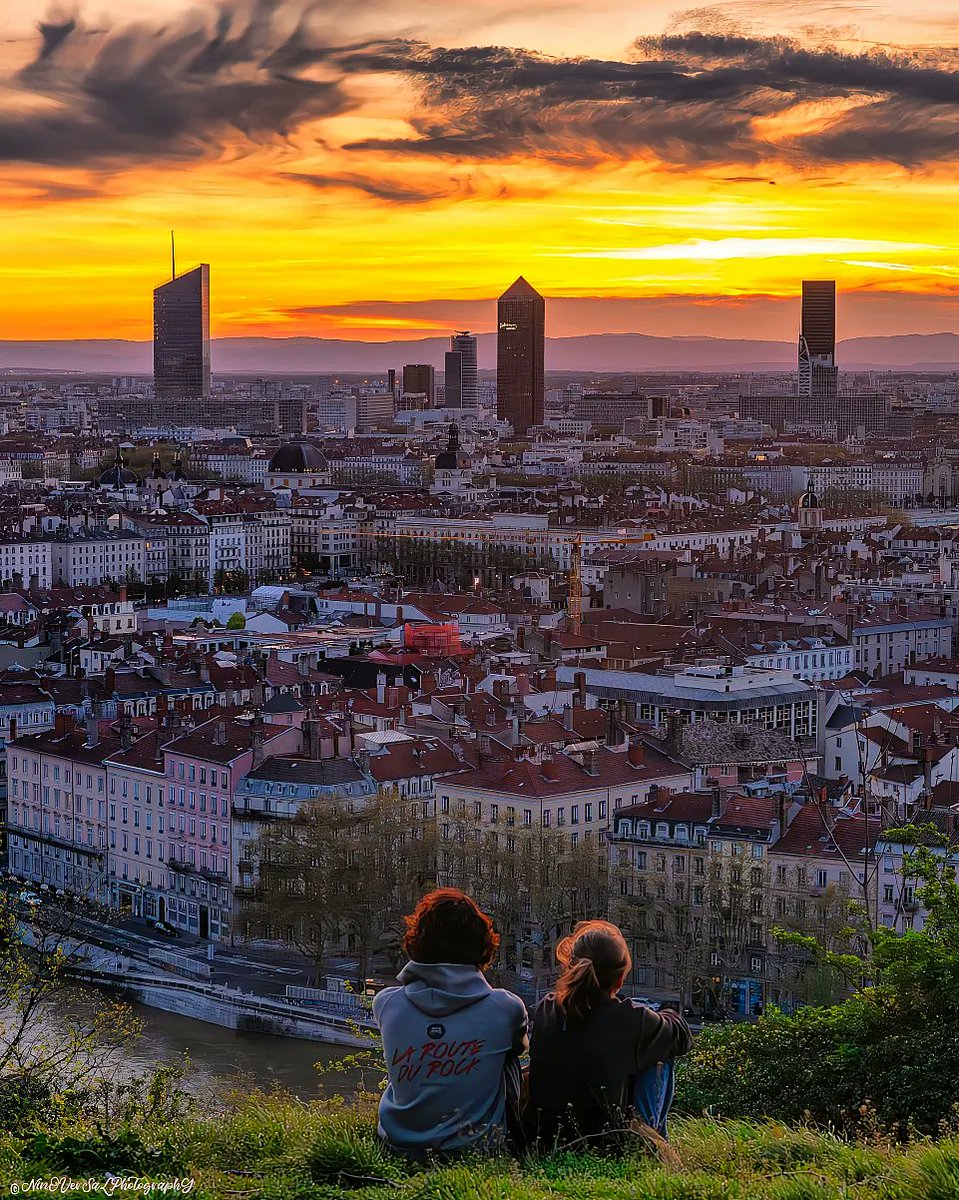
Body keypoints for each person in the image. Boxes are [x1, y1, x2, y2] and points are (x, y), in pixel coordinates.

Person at [373, 888, 528, 1158]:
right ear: (483, 945)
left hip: (397, 1147)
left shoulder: (386, 1003)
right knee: (509, 1056)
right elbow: (520, 1049)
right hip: (476, 1148)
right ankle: (514, 1143)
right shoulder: (506, 1008)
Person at [524, 920, 692, 1149]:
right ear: (621, 979)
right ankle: (653, 1140)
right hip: (603, 1142)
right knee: (661, 1050)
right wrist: (667, 1013)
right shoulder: (631, 1020)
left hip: (543, 1139)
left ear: (570, 967)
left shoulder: (547, 1007)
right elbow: (682, 1037)